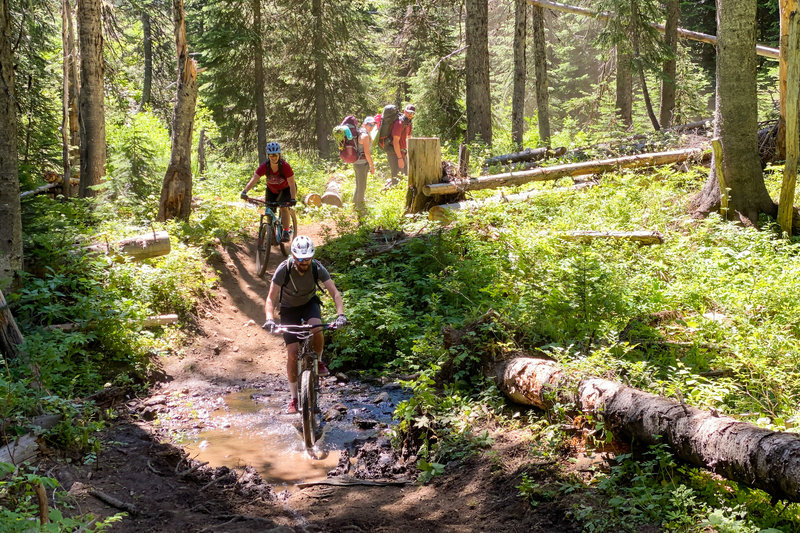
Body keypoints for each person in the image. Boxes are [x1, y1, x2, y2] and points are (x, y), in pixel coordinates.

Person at [262, 235, 347, 414]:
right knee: (292, 353)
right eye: (300, 259)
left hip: (309, 304)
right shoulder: (283, 269)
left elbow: (335, 294)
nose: (304, 263)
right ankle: (294, 398)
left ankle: (319, 361)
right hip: (288, 309)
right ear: (293, 257)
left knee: (317, 328)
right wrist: (269, 319)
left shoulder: (317, 267)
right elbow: (270, 298)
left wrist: (341, 315)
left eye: (307, 259)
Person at [240, 141, 297, 242]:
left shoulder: (285, 166)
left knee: (284, 208)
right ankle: (271, 233)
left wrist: (292, 198)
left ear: (279, 154)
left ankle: (286, 231)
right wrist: (245, 191)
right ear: (268, 156)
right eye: (271, 155)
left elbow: (292, 184)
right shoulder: (265, 166)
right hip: (272, 190)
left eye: (275, 155)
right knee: (269, 211)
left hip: (285, 190)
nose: (273, 157)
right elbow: (255, 178)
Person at [383, 104, 415, 188]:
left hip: (403, 153)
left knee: (404, 176)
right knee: (396, 177)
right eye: (408, 112)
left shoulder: (409, 123)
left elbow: (408, 138)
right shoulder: (399, 123)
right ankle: (393, 196)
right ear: (404, 111)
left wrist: (408, 153)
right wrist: (399, 158)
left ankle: (402, 196)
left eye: (412, 113)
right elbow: (395, 142)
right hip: (394, 153)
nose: (410, 114)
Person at [353, 116, 377, 214]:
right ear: (364, 124)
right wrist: (372, 166)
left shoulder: (361, 133)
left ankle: (354, 206)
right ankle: (360, 209)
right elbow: (367, 153)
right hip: (362, 164)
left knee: (359, 185)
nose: (371, 126)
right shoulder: (365, 136)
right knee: (362, 186)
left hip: (357, 163)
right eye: (370, 124)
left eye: (373, 124)